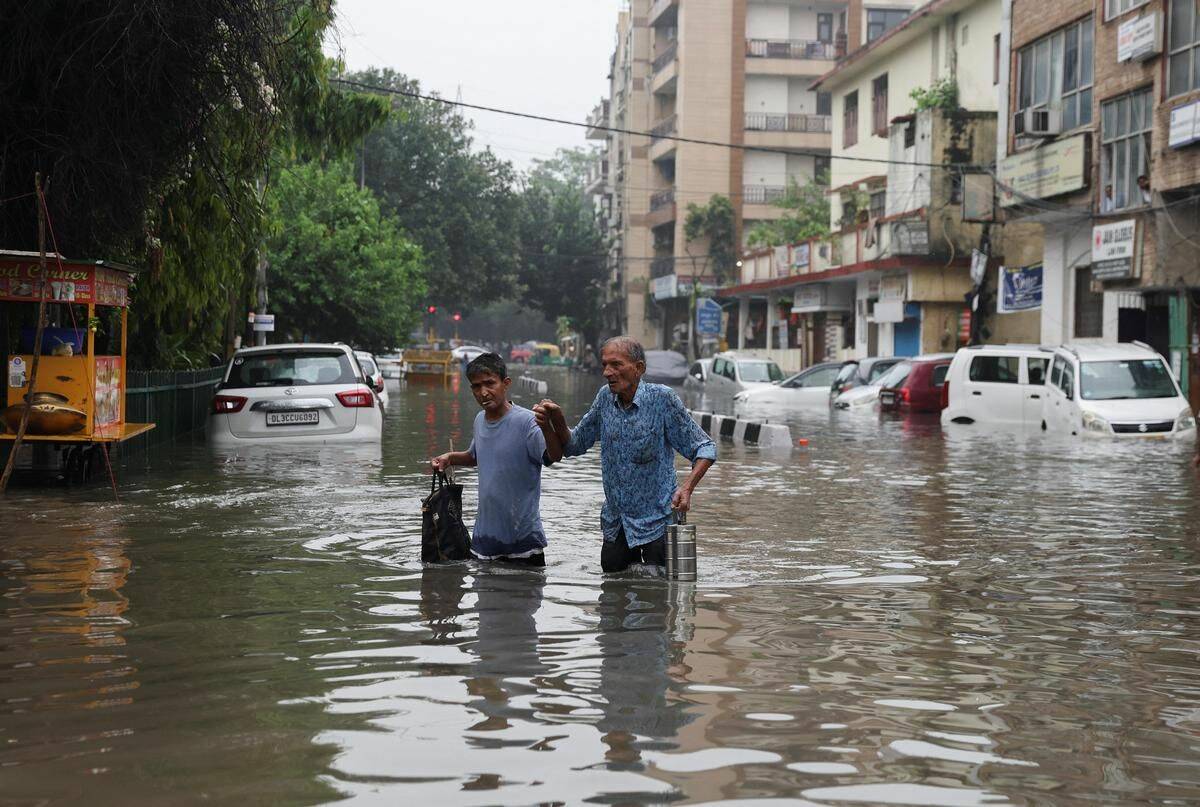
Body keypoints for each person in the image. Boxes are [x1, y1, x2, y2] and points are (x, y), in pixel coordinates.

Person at [534, 336, 716, 573]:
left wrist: (687, 488)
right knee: (612, 598)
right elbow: (574, 446)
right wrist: (556, 420)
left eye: (616, 365)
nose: (607, 372)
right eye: (605, 365)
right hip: (617, 523)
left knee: (658, 598)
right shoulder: (605, 399)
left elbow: (704, 448)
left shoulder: (662, 399)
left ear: (639, 368)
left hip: (657, 522)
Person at [431, 353, 562, 566]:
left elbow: (553, 455)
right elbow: (475, 456)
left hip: (523, 545)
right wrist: (450, 458)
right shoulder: (479, 420)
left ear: (505, 383)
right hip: (484, 543)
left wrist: (547, 426)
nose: (483, 392)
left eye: (490, 383)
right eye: (476, 386)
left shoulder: (527, 422)